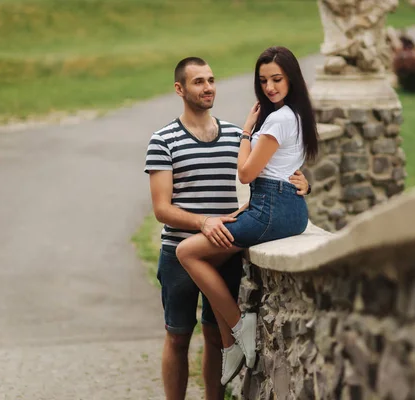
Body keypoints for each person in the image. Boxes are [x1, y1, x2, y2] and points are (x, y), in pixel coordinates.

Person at [144, 56, 310, 400]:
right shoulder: (163, 140)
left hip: (225, 250)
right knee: (177, 336)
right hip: (180, 252)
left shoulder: (238, 135)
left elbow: (269, 171)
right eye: (198, 82)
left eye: (211, 80)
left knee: (215, 338)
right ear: (180, 89)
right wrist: (203, 222)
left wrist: (301, 183)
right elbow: (161, 209)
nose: (208, 88)